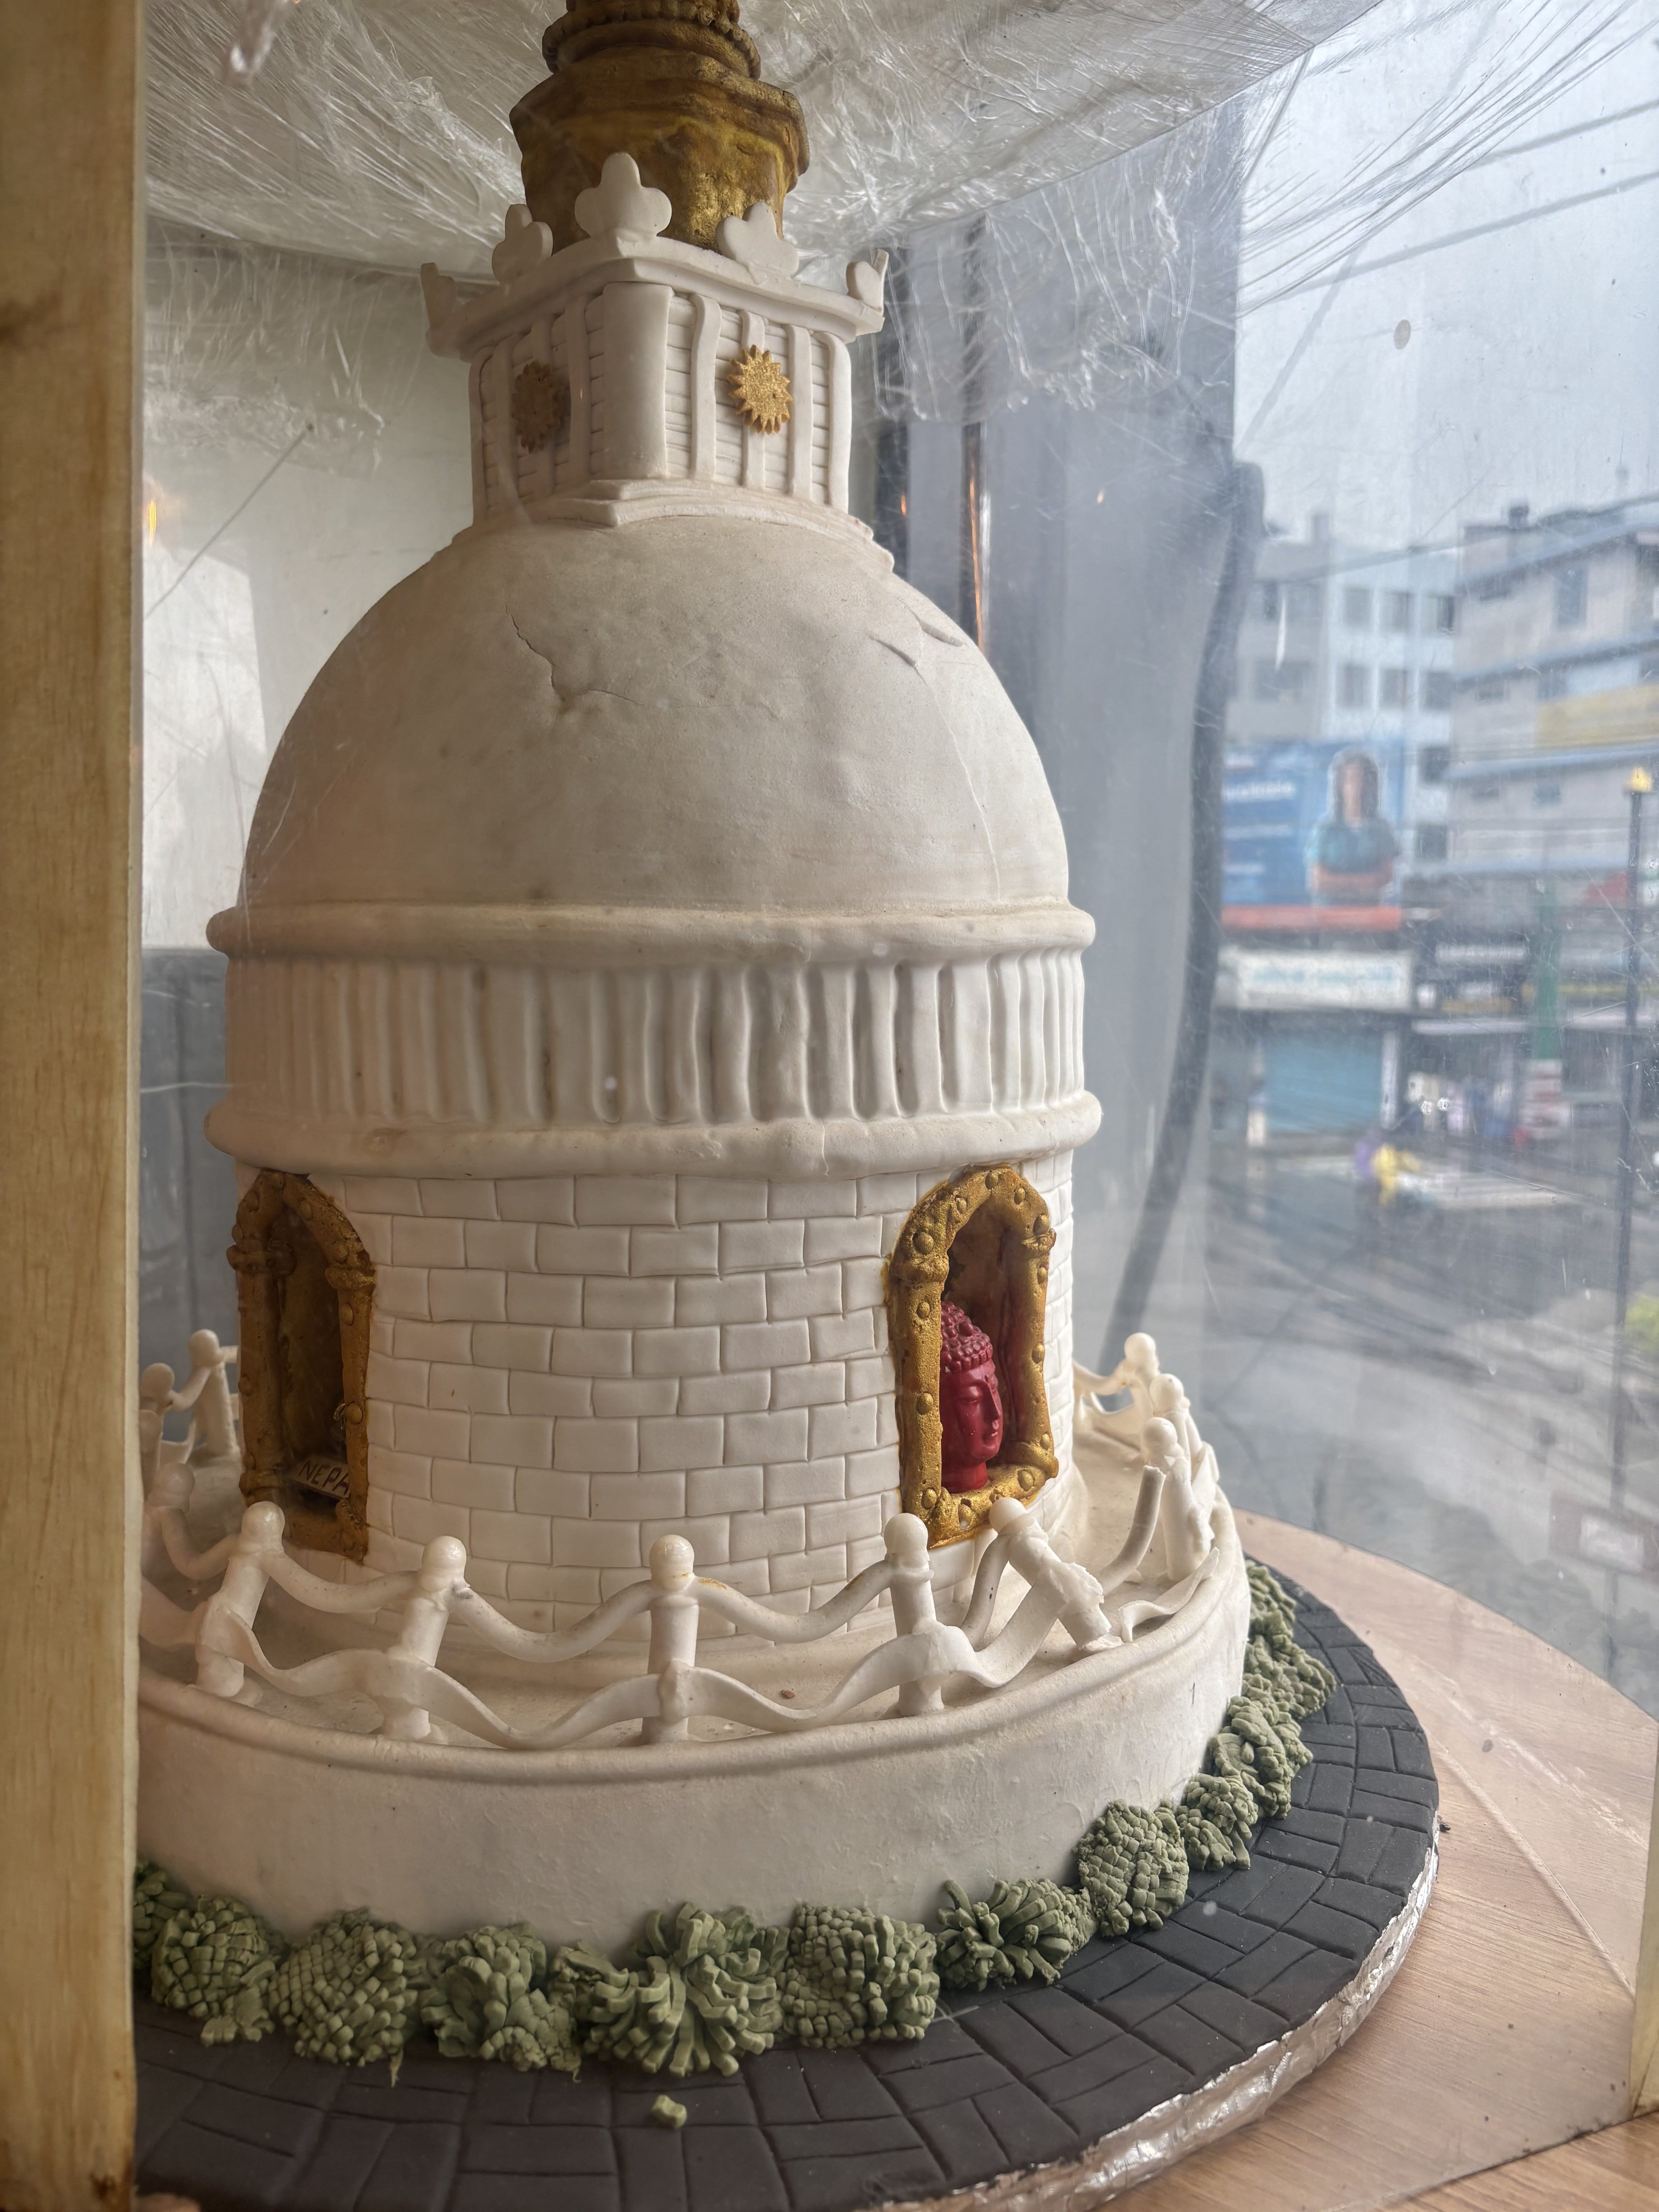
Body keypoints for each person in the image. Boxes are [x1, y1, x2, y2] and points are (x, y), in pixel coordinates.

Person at [1306, 748, 1398, 902]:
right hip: (1329, 917)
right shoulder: (1326, 829)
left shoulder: (1382, 829)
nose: (1357, 788)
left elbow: (1384, 878)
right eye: (1351, 780)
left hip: (1370, 916)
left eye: (1363, 781)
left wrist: (1339, 882)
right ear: (1340, 785)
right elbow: (1318, 881)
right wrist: (1364, 882)